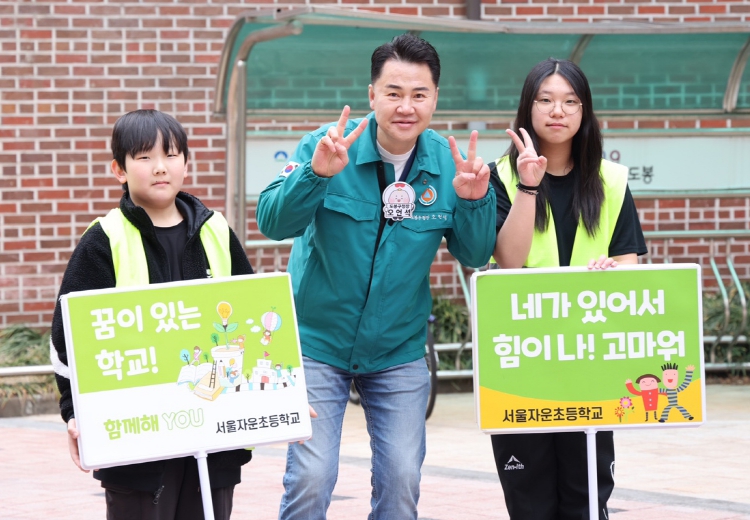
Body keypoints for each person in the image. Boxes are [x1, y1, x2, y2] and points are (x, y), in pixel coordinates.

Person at [256, 33, 497, 519]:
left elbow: (474, 253)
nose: (406, 107)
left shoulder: (448, 164)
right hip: (317, 343)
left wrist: (474, 202)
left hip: (397, 349)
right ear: (371, 94)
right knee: (311, 477)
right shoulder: (326, 145)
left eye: (419, 94)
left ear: (435, 98)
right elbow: (274, 223)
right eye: (393, 92)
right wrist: (317, 175)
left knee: (402, 477)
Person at [50, 109, 255, 520]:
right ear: (119, 170)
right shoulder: (104, 239)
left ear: (186, 163)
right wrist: (75, 412)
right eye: (144, 157)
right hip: (136, 444)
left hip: (213, 437)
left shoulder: (217, 230)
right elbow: (67, 337)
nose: (160, 167)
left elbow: (251, 316)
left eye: (171, 155)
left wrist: (283, 395)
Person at [488, 58, 647, 519]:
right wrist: (528, 185)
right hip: (523, 362)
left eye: (570, 102)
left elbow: (628, 261)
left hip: (588, 359)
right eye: (546, 100)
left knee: (587, 496)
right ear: (528, 107)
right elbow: (508, 259)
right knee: (529, 499)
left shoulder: (611, 180)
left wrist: (612, 271)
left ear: (584, 111)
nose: (557, 111)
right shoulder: (501, 175)